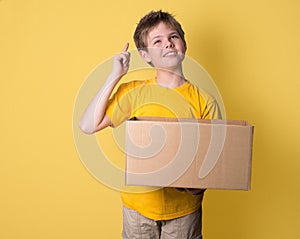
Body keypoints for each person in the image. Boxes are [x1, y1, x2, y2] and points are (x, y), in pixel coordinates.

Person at [79, 10, 220, 239]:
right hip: (138, 210)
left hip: (184, 212)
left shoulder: (205, 101)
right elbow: (87, 125)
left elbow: (214, 159)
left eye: (173, 37)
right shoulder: (135, 92)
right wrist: (115, 75)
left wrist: (196, 185)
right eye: (158, 41)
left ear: (184, 44)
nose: (168, 44)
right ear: (145, 55)